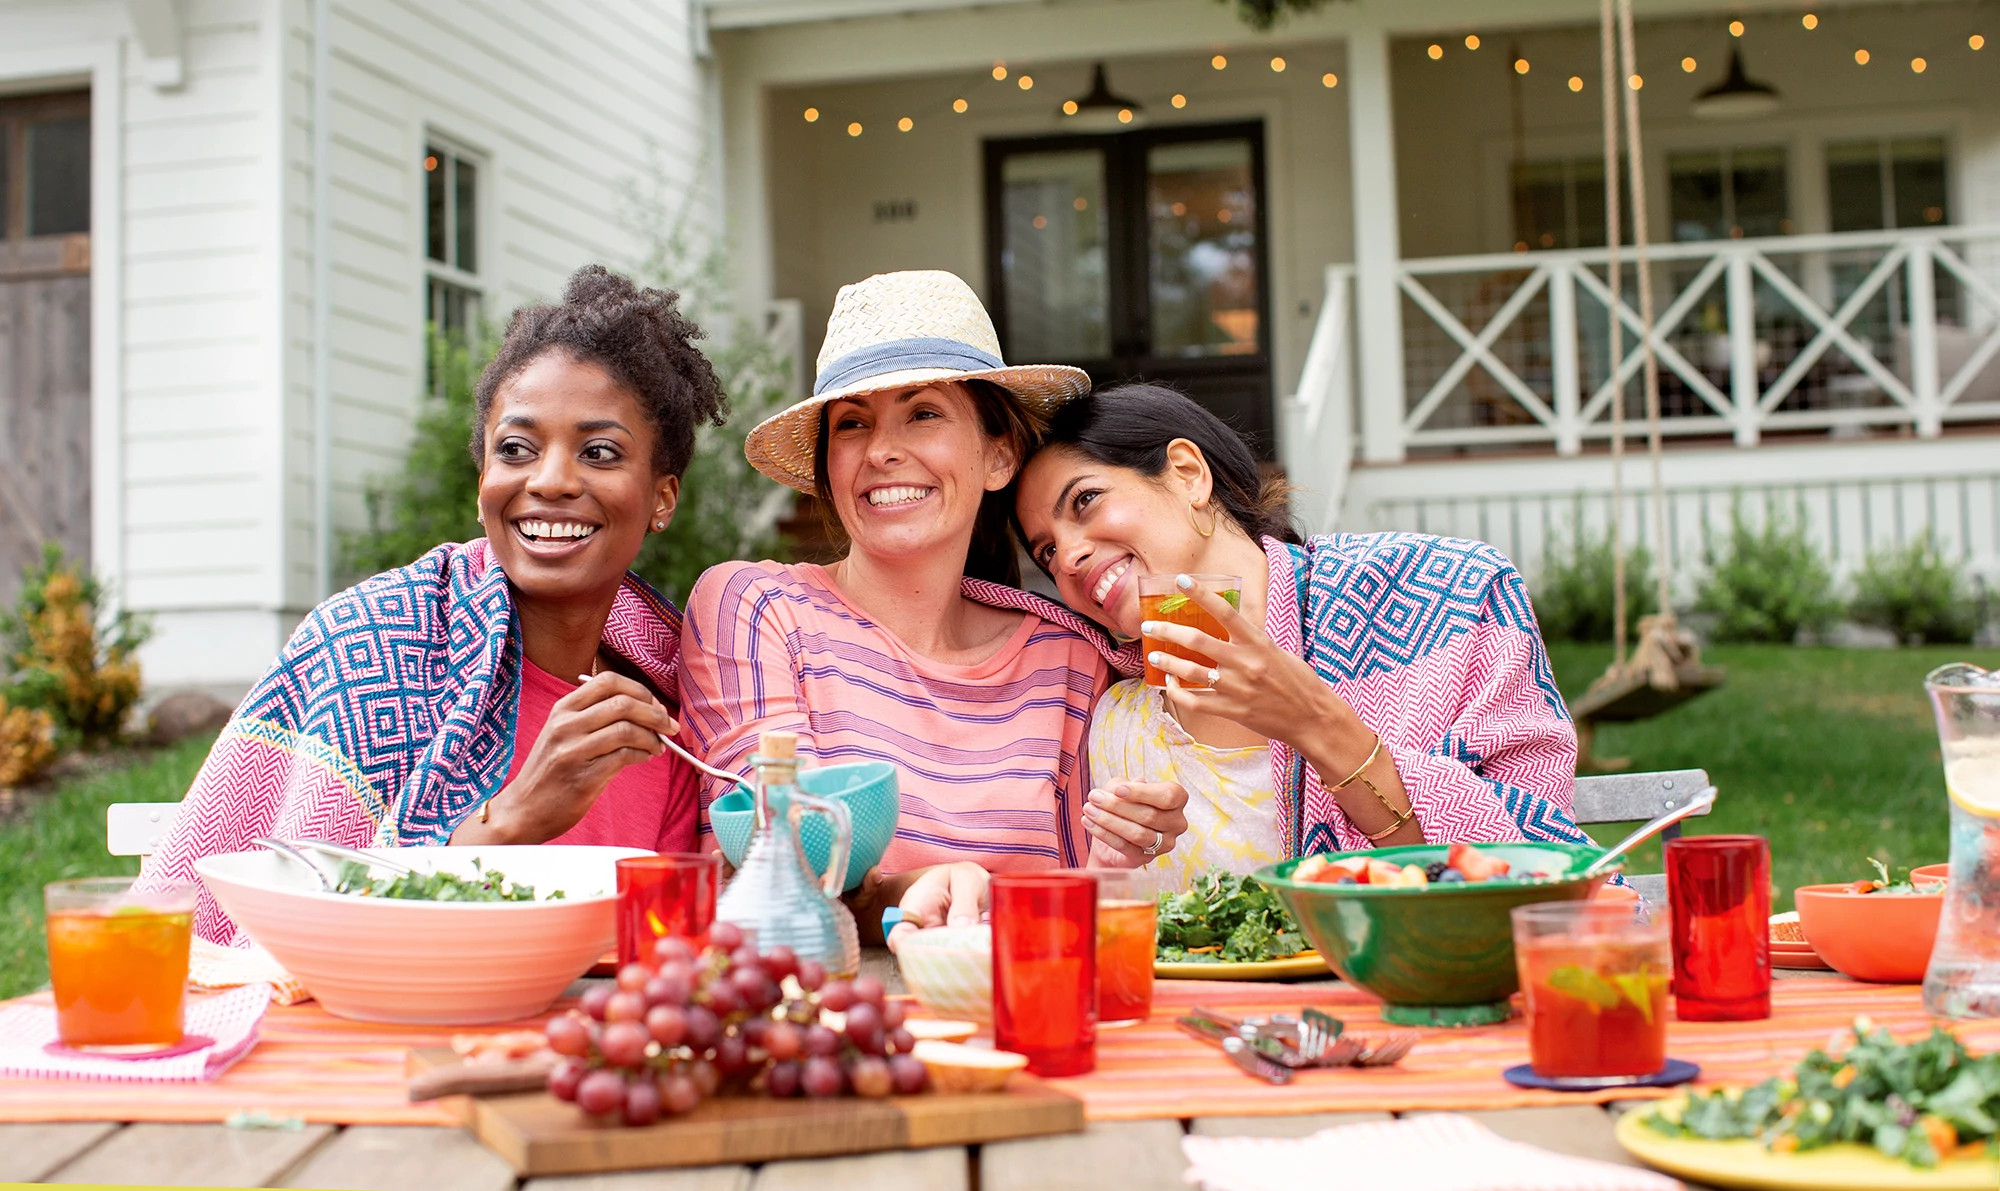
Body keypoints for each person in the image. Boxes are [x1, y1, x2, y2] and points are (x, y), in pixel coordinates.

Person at [142, 266, 726, 945]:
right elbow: (303, 931)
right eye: (516, 448)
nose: (551, 479)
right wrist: (511, 819)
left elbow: (655, 952)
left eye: (598, 452)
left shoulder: (660, 720)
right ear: (484, 478)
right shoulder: (369, 648)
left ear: (661, 497)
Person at [678, 271, 1187, 938]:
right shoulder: (758, 608)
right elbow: (770, 856)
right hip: (822, 1015)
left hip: (1007, 1021)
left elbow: (1077, 909)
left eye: (922, 413)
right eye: (853, 424)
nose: (883, 450)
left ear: (998, 455)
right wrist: (903, 892)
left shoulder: (1065, 658)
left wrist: (1118, 854)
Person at [1013, 382, 1588, 888]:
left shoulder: (1451, 597)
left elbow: (1539, 874)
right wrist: (1114, 864)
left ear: (1188, 473)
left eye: (1085, 501)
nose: (1068, 555)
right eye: (1045, 551)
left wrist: (1320, 725)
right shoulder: (1117, 715)